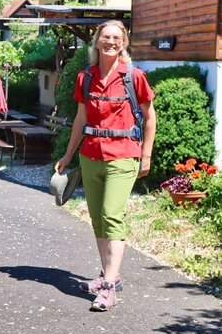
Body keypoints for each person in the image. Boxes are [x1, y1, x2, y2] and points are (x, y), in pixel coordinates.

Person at [55, 20, 156, 312]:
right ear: (97, 42)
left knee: (112, 215)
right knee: (98, 218)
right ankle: (108, 273)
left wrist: (146, 155)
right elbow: (80, 120)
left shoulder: (134, 77)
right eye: (105, 37)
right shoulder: (85, 77)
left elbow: (150, 118)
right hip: (90, 155)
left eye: (116, 37)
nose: (110, 42)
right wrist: (67, 154)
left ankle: (109, 287)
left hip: (123, 155)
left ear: (123, 43)